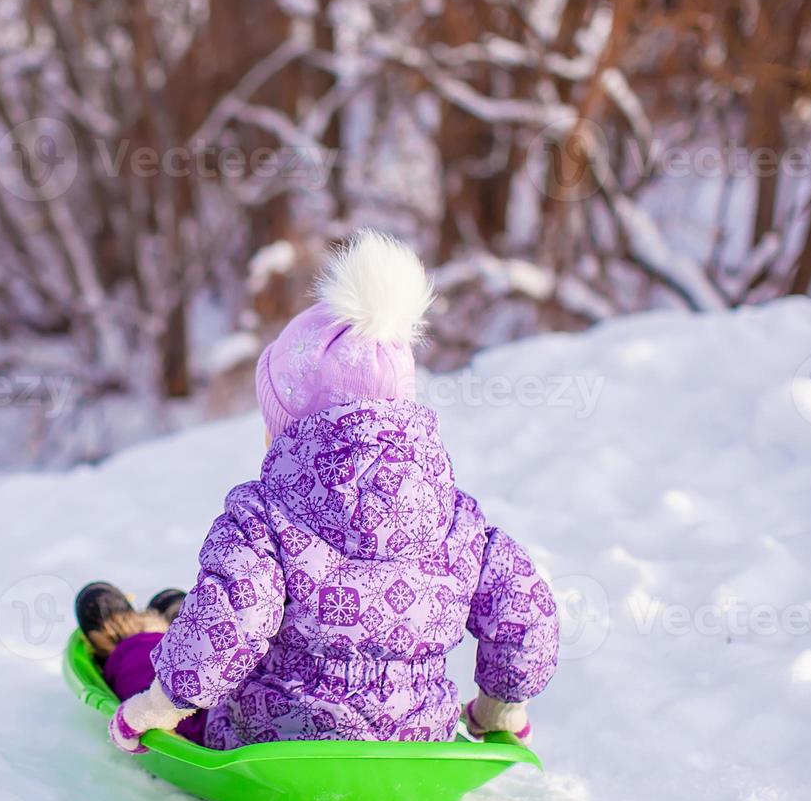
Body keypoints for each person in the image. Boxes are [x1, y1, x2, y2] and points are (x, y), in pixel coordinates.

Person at [74, 231, 559, 754]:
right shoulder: (455, 521)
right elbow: (522, 608)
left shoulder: (267, 516)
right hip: (415, 740)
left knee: (165, 660)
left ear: (289, 430)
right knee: (213, 632)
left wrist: (158, 707)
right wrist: (500, 707)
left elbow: (237, 614)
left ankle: (133, 634)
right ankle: (176, 619)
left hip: (271, 739)